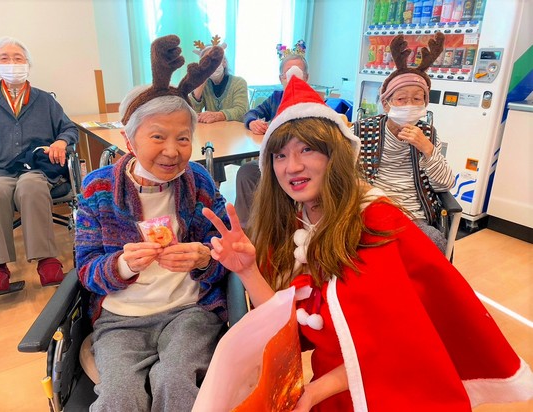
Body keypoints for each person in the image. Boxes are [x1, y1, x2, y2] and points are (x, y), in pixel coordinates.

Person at [203, 75, 533, 411]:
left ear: (335, 155)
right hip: (334, 385)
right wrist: (247, 271)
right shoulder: (293, 224)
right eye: (280, 155)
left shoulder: (374, 225)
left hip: (390, 387)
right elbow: (286, 332)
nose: (293, 166)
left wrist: (315, 391)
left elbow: (395, 343)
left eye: (307, 149)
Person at [75, 35, 230, 411]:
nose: (172, 151)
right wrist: (122, 265)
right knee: (119, 396)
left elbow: (227, 249)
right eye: (157, 136)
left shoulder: (199, 182)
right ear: (129, 139)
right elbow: (86, 271)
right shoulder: (98, 188)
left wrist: (205, 258)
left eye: (183, 138)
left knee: (175, 381)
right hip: (121, 318)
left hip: (190, 310)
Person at [0, 36, 78, 298]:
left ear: (28, 63)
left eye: (18, 58)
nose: (12, 63)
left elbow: (69, 128)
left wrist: (61, 141)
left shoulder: (44, 100)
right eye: (4, 58)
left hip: (36, 169)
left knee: (30, 186)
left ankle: (47, 261)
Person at [355, 32, 454, 252]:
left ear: (424, 104)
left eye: (417, 99)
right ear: (387, 104)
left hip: (413, 216)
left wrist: (427, 149)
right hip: (371, 209)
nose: (410, 104)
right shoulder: (362, 130)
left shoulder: (428, 134)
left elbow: (444, 185)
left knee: (433, 241)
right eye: (401, 99)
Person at [236, 49, 309, 229]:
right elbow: (251, 113)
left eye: (297, 73)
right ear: (281, 78)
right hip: (275, 159)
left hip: (301, 163)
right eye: (287, 74)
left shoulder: (312, 102)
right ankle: (246, 229)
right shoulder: (276, 98)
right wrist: (252, 122)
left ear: (306, 77)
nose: (292, 79)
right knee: (246, 172)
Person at [189, 36, 249, 124]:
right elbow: (191, 112)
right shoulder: (205, 86)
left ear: (224, 62)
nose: (211, 65)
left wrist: (218, 115)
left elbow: (242, 111)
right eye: (206, 62)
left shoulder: (239, 83)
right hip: (212, 130)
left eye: (215, 60)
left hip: (235, 130)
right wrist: (202, 78)